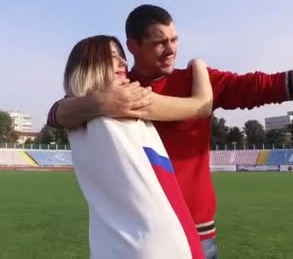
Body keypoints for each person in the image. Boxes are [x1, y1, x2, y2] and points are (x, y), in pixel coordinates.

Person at [48, 4, 293, 259]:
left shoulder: (198, 83)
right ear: (132, 46)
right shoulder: (115, 89)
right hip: (139, 236)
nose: (171, 49)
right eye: (158, 42)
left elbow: (272, 86)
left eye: (174, 39)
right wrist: (99, 104)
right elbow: (56, 113)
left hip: (198, 229)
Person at [63, 34, 213, 259]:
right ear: (92, 65)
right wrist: (200, 66)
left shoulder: (74, 118)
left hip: (111, 247)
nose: (123, 63)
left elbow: (58, 111)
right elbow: (202, 106)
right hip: (161, 246)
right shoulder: (128, 100)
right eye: (113, 57)